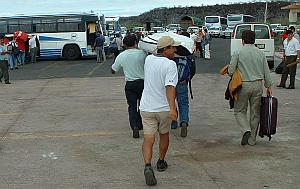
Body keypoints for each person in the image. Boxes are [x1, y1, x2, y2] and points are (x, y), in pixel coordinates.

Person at [139, 36, 179, 186]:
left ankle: (147, 165)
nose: (175, 50)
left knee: (148, 139)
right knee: (164, 134)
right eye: (173, 48)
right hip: (163, 108)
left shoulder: (148, 60)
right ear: (166, 49)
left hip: (147, 107)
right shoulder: (170, 65)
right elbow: (170, 87)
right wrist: (173, 109)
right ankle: (161, 162)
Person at [228, 30, 272, 146]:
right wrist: (269, 86)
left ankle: (246, 130)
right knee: (255, 113)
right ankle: (252, 140)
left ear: (242, 40)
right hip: (258, 85)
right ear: (254, 40)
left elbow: (231, 71)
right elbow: (266, 71)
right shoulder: (260, 53)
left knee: (239, 111)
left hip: (243, 85)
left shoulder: (238, 52)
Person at [111, 34, 147, 138]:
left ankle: (134, 127)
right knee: (142, 105)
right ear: (135, 43)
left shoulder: (121, 56)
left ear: (124, 44)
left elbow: (113, 70)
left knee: (131, 106)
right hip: (143, 83)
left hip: (130, 85)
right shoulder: (142, 53)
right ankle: (140, 124)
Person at [171, 32, 196, 138]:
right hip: (182, 83)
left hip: (170, 83)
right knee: (183, 103)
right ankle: (184, 122)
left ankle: (173, 122)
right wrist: (188, 78)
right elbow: (193, 69)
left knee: (171, 102)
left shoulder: (171, 53)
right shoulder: (188, 54)